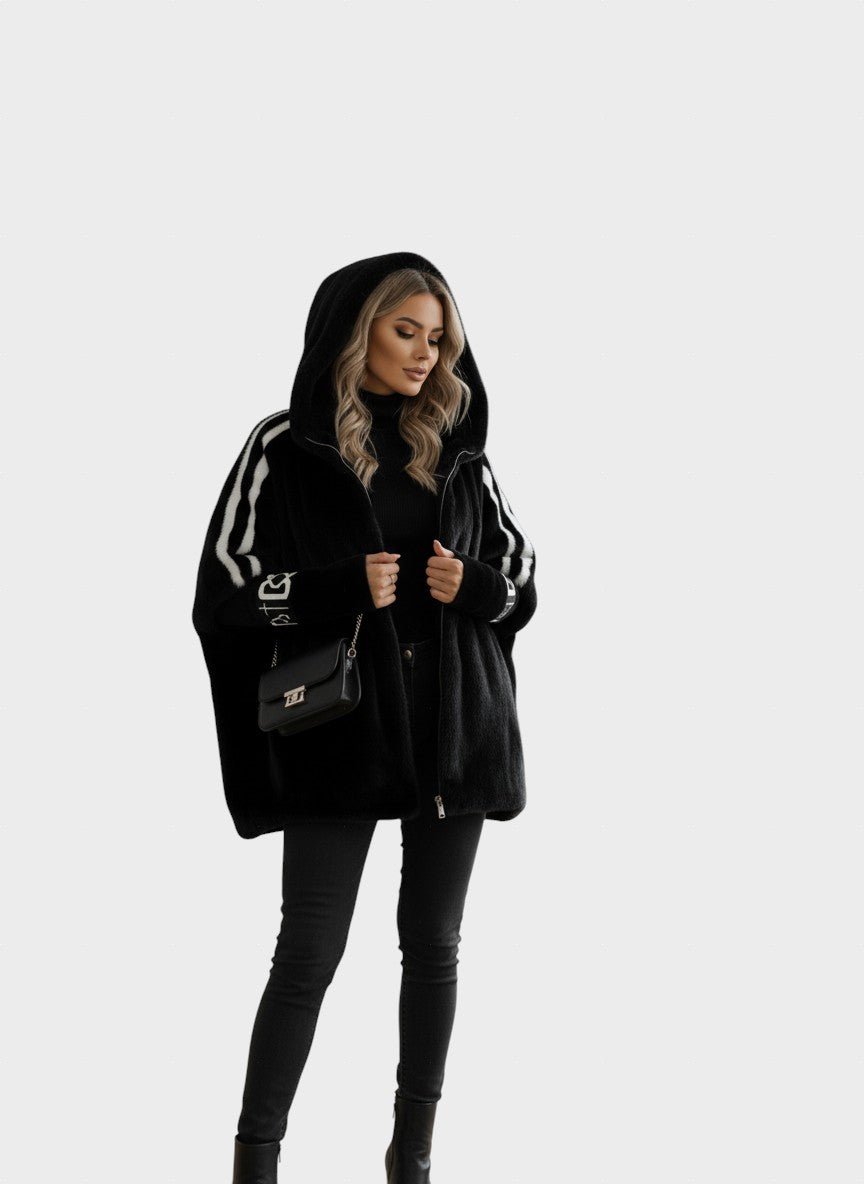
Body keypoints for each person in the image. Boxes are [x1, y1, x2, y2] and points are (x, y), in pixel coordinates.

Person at [191, 251, 538, 1183]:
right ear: (358, 332)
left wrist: (477, 586)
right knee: (308, 951)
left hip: (454, 725)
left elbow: (521, 581)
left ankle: (411, 1157)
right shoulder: (285, 444)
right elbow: (223, 592)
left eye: (438, 338)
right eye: (405, 332)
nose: (425, 354)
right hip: (340, 726)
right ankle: (256, 1163)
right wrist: (332, 588)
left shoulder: (458, 444)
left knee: (434, 947)